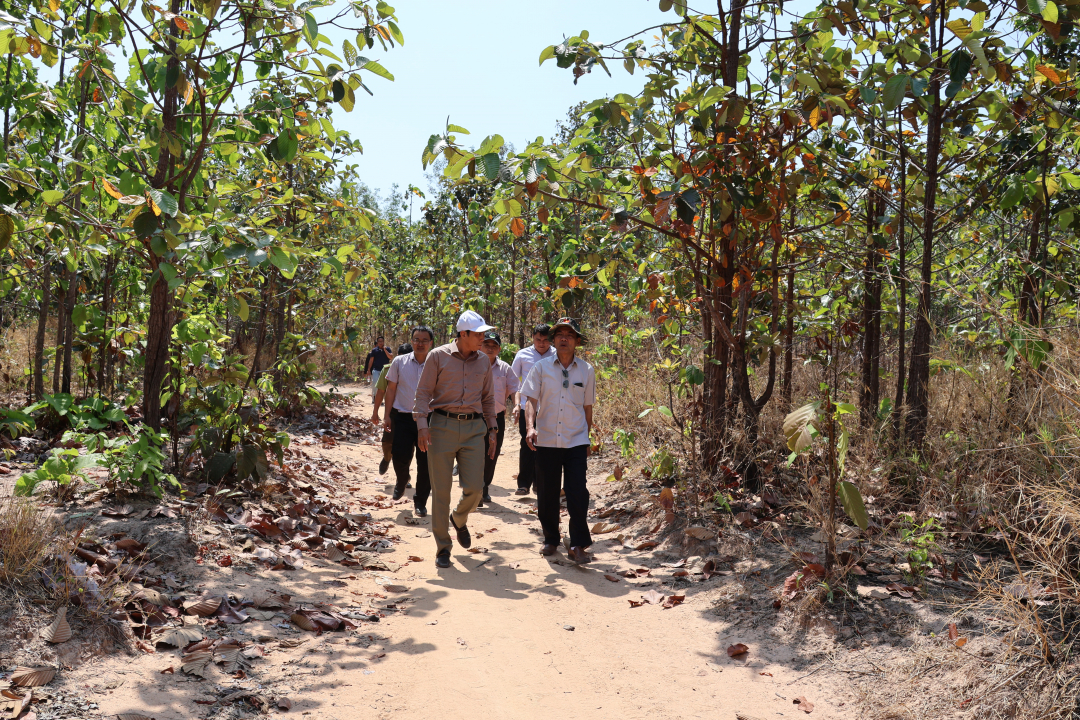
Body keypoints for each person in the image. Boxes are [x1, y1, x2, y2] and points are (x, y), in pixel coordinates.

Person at [414, 310, 499, 568]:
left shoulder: (483, 361)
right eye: (479, 334)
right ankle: (443, 547)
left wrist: (493, 429)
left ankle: (459, 518)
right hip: (441, 427)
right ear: (463, 334)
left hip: (475, 430)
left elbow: (487, 399)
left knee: (476, 489)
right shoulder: (437, 356)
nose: (483, 339)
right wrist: (421, 426)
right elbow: (422, 392)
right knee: (441, 491)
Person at [522, 317, 595, 564]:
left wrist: (586, 438)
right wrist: (530, 428)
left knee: (577, 492)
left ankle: (578, 543)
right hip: (547, 440)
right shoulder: (541, 368)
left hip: (575, 440)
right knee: (547, 492)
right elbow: (530, 400)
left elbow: (587, 408)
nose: (564, 338)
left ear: (577, 342)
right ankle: (551, 538)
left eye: (570, 335)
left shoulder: (586, 370)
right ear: (554, 340)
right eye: (560, 334)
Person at [382, 328, 434, 516]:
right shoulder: (399, 362)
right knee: (399, 455)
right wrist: (387, 415)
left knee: (426, 463)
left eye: (424, 340)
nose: (420, 343)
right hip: (403, 416)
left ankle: (420, 501)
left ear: (431, 343)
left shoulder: (437, 363)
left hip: (429, 419)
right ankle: (401, 481)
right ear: (411, 341)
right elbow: (391, 390)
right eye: (416, 339)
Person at [477, 330, 519, 508]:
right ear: (481, 346)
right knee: (475, 454)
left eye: (494, 346)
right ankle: (475, 491)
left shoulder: (505, 368)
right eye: (487, 345)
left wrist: (516, 405)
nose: (490, 348)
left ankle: (484, 488)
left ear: (499, 349)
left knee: (491, 455)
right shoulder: (473, 364)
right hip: (475, 417)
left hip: (497, 417)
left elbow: (515, 388)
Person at [510, 324, 552, 495]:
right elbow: (513, 382)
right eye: (538, 339)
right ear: (532, 338)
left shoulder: (557, 354)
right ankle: (523, 484)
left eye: (545, 340)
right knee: (526, 443)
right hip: (526, 407)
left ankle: (539, 483)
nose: (541, 343)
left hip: (549, 408)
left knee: (545, 446)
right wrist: (515, 404)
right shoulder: (522, 355)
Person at [371, 343, 411, 476]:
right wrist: (375, 412)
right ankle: (387, 458)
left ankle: (404, 476)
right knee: (387, 442)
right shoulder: (388, 369)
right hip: (393, 412)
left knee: (406, 447)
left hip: (410, 413)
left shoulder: (418, 369)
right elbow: (381, 391)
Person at [363, 336, 393, 401]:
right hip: (376, 369)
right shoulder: (374, 350)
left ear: (384, 342)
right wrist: (368, 370)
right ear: (377, 342)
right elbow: (371, 361)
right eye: (379, 341)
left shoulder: (388, 349)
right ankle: (375, 398)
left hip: (385, 369)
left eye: (382, 341)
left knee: (385, 385)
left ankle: (384, 399)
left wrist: (385, 350)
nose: (380, 343)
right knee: (375, 383)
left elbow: (391, 357)